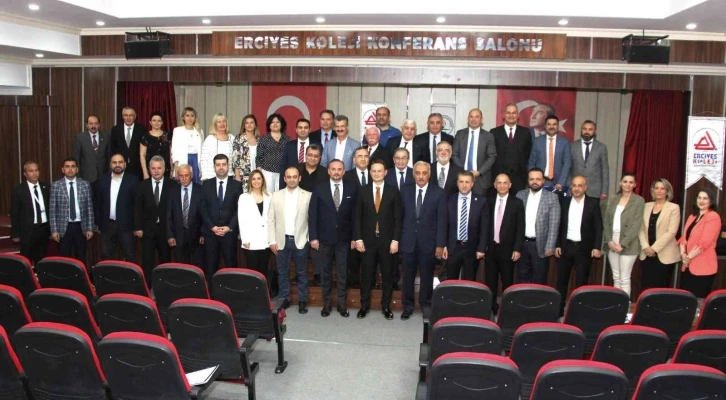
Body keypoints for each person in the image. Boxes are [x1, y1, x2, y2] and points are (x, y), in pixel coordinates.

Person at [354, 159, 402, 320]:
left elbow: (398, 218)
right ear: (370, 173)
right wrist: (358, 239)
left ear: (385, 172)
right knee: (367, 275)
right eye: (373, 171)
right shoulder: (362, 191)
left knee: (387, 276)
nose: (376, 173)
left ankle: (386, 306)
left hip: (387, 242)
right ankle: (364, 305)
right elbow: (357, 217)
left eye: (379, 171)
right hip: (367, 242)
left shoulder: (393, 191)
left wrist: (395, 240)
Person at [309, 159, 357, 318]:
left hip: (344, 239)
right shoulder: (319, 188)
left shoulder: (351, 188)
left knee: (343, 274)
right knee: (326, 273)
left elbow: (355, 216)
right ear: (328, 171)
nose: (336, 172)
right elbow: (313, 214)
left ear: (344, 171)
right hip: (324, 239)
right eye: (333, 169)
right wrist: (313, 237)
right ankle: (327, 304)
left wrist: (355, 237)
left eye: (339, 169)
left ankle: (342, 305)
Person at [400, 162, 446, 320]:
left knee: (427, 276)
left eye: (424, 173)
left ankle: (426, 305)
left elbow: (442, 221)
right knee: (407, 276)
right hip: (408, 241)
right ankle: (407, 307)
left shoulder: (438, 192)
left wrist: (440, 244)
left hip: (429, 243)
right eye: (418, 173)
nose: (421, 176)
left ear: (429, 174)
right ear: (413, 174)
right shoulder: (405, 190)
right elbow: (399, 217)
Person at [554, 176, 603, 315]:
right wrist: (558, 244)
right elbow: (559, 225)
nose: (576, 188)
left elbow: (598, 227)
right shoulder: (564, 202)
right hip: (565, 247)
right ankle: (558, 311)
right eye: (574, 185)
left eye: (580, 185)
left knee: (581, 282)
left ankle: (578, 312)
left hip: (584, 249)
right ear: (571, 187)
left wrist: (596, 247)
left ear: (585, 187)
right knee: (561, 281)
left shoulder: (593, 203)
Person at [268, 166, 312, 313]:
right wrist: (272, 241)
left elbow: (312, 220)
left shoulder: (308, 196)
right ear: (284, 179)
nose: (292, 179)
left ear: (299, 178)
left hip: (301, 240)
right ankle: (284, 299)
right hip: (281, 240)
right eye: (289, 177)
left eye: (294, 177)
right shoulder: (276, 196)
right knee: (282, 272)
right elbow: (271, 220)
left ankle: (302, 301)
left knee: (302, 272)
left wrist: (308, 239)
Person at [485, 173, 525, 315]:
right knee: (490, 281)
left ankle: (507, 309)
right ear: (495, 185)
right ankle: (491, 307)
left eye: (505, 183)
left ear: (510, 185)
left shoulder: (517, 203)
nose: (502, 186)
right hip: (491, 248)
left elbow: (520, 228)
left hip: (508, 249)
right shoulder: (488, 201)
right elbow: (484, 225)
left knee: (507, 281)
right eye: (499, 183)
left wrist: (517, 249)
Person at [200, 154, 243, 282]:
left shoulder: (236, 185)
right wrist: (212, 227)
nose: (221, 167)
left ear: (228, 166)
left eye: (224, 164)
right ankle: (211, 293)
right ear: (214, 167)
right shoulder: (206, 185)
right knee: (210, 268)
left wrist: (229, 227)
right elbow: (203, 209)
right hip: (211, 234)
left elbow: (239, 209)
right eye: (218, 165)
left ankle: (231, 292)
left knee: (231, 266)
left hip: (229, 234)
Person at [134, 155, 176, 284]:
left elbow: (175, 210)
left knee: (165, 260)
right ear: (149, 169)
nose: (156, 171)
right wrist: (138, 227)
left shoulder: (172, 185)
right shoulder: (142, 185)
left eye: (159, 168)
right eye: (153, 168)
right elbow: (137, 208)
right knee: (147, 260)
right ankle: (148, 286)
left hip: (165, 230)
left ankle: (164, 285)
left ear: (164, 169)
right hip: (147, 230)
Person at [516, 168, 561, 284]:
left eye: (538, 179)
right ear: (528, 180)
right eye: (532, 179)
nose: (534, 182)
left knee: (539, 279)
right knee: (522, 278)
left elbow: (554, 224)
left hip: (540, 245)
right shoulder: (520, 195)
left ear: (543, 181)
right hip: (522, 244)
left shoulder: (552, 197)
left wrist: (550, 247)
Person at [603, 173, 645, 298]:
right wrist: (609, 240)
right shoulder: (613, 199)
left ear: (635, 185)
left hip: (629, 243)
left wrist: (622, 244)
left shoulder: (639, 201)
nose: (627, 184)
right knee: (616, 277)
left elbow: (636, 225)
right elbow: (607, 222)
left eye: (631, 182)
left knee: (624, 278)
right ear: (620, 183)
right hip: (612, 240)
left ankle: (625, 306)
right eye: (625, 181)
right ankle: (617, 305)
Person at [442, 171, 489, 281]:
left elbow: (484, 227)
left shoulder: (481, 201)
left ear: (472, 183)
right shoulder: (449, 200)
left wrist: (481, 248)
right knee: (451, 281)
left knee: (470, 282)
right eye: (461, 182)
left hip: (472, 248)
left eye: (467, 182)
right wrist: (443, 245)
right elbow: (444, 224)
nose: (464, 185)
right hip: (453, 248)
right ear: (457, 183)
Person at [49, 157, 94, 266]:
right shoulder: (56, 185)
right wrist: (54, 230)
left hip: (81, 227)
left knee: (81, 256)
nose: (70, 169)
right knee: (64, 259)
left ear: (77, 169)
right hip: (64, 228)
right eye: (67, 167)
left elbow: (89, 207)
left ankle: (81, 277)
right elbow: (52, 210)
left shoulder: (85, 184)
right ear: (63, 169)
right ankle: (66, 277)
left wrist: (90, 228)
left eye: (73, 166)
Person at [679, 188, 721, 299]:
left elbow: (704, 243)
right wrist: (683, 255)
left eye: (705, 198)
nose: (701, 201)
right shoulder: (692, 216)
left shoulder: (713, 216)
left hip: (703, 267)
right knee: (685, 300)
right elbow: (683, 238)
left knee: (698, 301)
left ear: (711, 201)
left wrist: (687, 257)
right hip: (687, 265)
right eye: (699, 198)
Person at [639, 179, 680, 290]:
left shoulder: (674, 208)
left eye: (662, 188)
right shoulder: (646, 206)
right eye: (656, 188)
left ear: (667, 191)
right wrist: (646, 247)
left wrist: (654, 249)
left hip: (664, 254)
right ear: (653, 190)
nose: (659, 191)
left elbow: (672, 232)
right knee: (646, 288)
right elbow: (640, 229)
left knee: (660, 290)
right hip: (646, 254)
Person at [95, 154, 137, 261]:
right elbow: (98, 203)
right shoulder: (102, 180)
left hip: (126, 226)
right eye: (114, 162)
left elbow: (136, 205)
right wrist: (98, 224)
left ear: (125, 164)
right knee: (106, 256)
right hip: (107, 225)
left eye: (120, 162)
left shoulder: (133, 180)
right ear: (110, 165)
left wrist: (136, 226)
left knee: (129, 255)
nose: (117, 165)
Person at [237, 170, 273, 288]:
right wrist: (245, 239)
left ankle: (263, 293)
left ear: (263, 180)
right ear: (250, 182)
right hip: (251, 241)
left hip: (266, 240)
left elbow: (272, 219)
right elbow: (241, 219)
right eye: (253, 179)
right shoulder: (244, 197)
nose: (256, 181)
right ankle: (253, 292)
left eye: (259, 178)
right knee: (253, 270)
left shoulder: (270, 196)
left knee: (263, 269)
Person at [11, 160, 50, 264]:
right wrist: (15, 234)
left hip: (43, 229)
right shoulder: (18, 190)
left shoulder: (46, 187)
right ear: (25, 174)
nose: (34, 173)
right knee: (26, 261)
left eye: (36, 170)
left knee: (42, 260)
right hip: (27, 231)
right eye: (31, 171)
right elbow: (14, 214)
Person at [342, 146, 370, 288]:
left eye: (366, 156)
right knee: (352, 260)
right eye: (360, 156)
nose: (363, 159)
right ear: (354, 160)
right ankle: (353, 285)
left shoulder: (376, 174)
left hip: (371, 225)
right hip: (350, 224)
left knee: (369, 260)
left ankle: (369, 283)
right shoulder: (346, 176)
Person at [453, 108, 497, 195]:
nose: (473, 119)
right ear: (468, 118)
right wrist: (463, 171)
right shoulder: (460, 134)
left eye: (477, 117)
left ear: (481, 119)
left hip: (481, 179)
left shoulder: (488, 136)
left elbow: (492, 156)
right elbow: (454, 154)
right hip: (462, 178)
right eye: (471, 116)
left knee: (479, 203)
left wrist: (479, 172)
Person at [167, 164, 204, 267]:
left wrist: (203, 233)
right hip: (178, 235)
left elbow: (204, 215)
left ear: (191, 175)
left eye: (186, 175)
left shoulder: (200, 190)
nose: (184, 178)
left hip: (196, 236)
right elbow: (169, 215)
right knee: (180, 267)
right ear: (177, 176)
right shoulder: (173, 191)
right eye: (181, 175)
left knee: (196, 266)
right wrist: (170, 235)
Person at [491, 103, 533, 193]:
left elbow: (529, 154)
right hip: (499, 178)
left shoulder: (526, 132)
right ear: (503, 115)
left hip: (519, 178)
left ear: (518, 115)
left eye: (514, 113)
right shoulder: (494, 132)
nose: (511, 115)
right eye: (508, 113)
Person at [527, 115, 572, 192]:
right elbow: (531, 162)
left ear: (557, 126)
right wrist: (534, 179)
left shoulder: (565, 142)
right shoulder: (537, 141)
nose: (551, 127)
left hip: (558, 183)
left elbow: (567, 163)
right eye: (549, 124)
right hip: (540, 182)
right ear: (545, 126)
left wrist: (561, 182)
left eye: (554, 124)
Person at [570, 120, 609, 199]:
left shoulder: (601, 147)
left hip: (594, 190)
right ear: (581, 130)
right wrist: (569, 186)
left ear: (595, 131)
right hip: (576, 189)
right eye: (584, 129)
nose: (587, 132)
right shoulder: (572, 146)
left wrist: (604, 190)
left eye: (590, 129)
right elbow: (569, 168)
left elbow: (605, 170)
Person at [280, 118, 320, 189]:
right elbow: (284, 167)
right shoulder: (289, 146)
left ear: (310, 130)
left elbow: (320, 165)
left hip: (313, 184)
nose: (303, 130)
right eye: (300, 127)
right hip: (292, 183)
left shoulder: (317, 145)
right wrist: (282, 188)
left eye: (306, 128)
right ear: (296, 130)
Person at [257, 113, 290, 193]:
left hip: (282, 172)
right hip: (267, 172)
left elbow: (289, 156)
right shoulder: (264, 139)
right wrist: (259, 172)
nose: (275, 124)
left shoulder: (287, 139)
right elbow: (259, 157)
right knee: (268, 194)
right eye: (272, 122)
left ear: (281, 124)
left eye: (277, 122)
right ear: (269, 125)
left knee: (281, 194)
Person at [73, 115, 110, 187]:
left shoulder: (106, 137)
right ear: (87, 125)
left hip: (103, 176)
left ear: (99, 125)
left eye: (96, 123)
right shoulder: (80, 138)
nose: (93, 126)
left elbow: (109, 156)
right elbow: (76, 158)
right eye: (91, 124)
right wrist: (78, 176)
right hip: (86, 177)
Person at [171, 107, 203, 184]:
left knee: (196, 184)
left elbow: (202, 149)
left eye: (192, 116)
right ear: (183, 117)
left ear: (195, 118)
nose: (190, 118)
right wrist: (176, 165)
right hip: (183, 159)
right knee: (183, 181)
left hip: (196, 160)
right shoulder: (177, 130)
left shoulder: (199, 131)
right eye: (187, 115)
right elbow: (174, 149)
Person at [110, 107, 144, 179]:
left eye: (131, 115)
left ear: (135, 117)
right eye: (126, 115)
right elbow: (112, 149)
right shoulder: (116, 129)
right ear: (122, 116)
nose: (128, 118)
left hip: (137, 168)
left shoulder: (142, 129)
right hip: (120, 167)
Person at [200, 113, 235, 182]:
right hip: (211, 176)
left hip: (229, 175)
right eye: (219, 122)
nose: (222, 124)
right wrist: (205, 177)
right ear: (215, 124)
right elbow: (204, 159)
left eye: (224, 121)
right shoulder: (210, 139)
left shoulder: (232, 138)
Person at [139, 112, 172, 178]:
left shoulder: (167, 136)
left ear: (162, 122)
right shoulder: (145, 136)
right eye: (154, 120)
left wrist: (172, 170)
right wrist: (145, 172)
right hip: (151, 170)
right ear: (150, 122)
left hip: (166, 169)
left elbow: (171, 154)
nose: (156, 123)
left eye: (159, 121)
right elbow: (142, 155)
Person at [232, 114, 259, 191]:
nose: (249, 125)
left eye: (251, 123)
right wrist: (237, 175)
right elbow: (235, 158)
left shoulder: (259, 140)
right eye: (247, 123)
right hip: (243, 175)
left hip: (256, 175)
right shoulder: (239, 138)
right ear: (244, 125)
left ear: (255, 125)